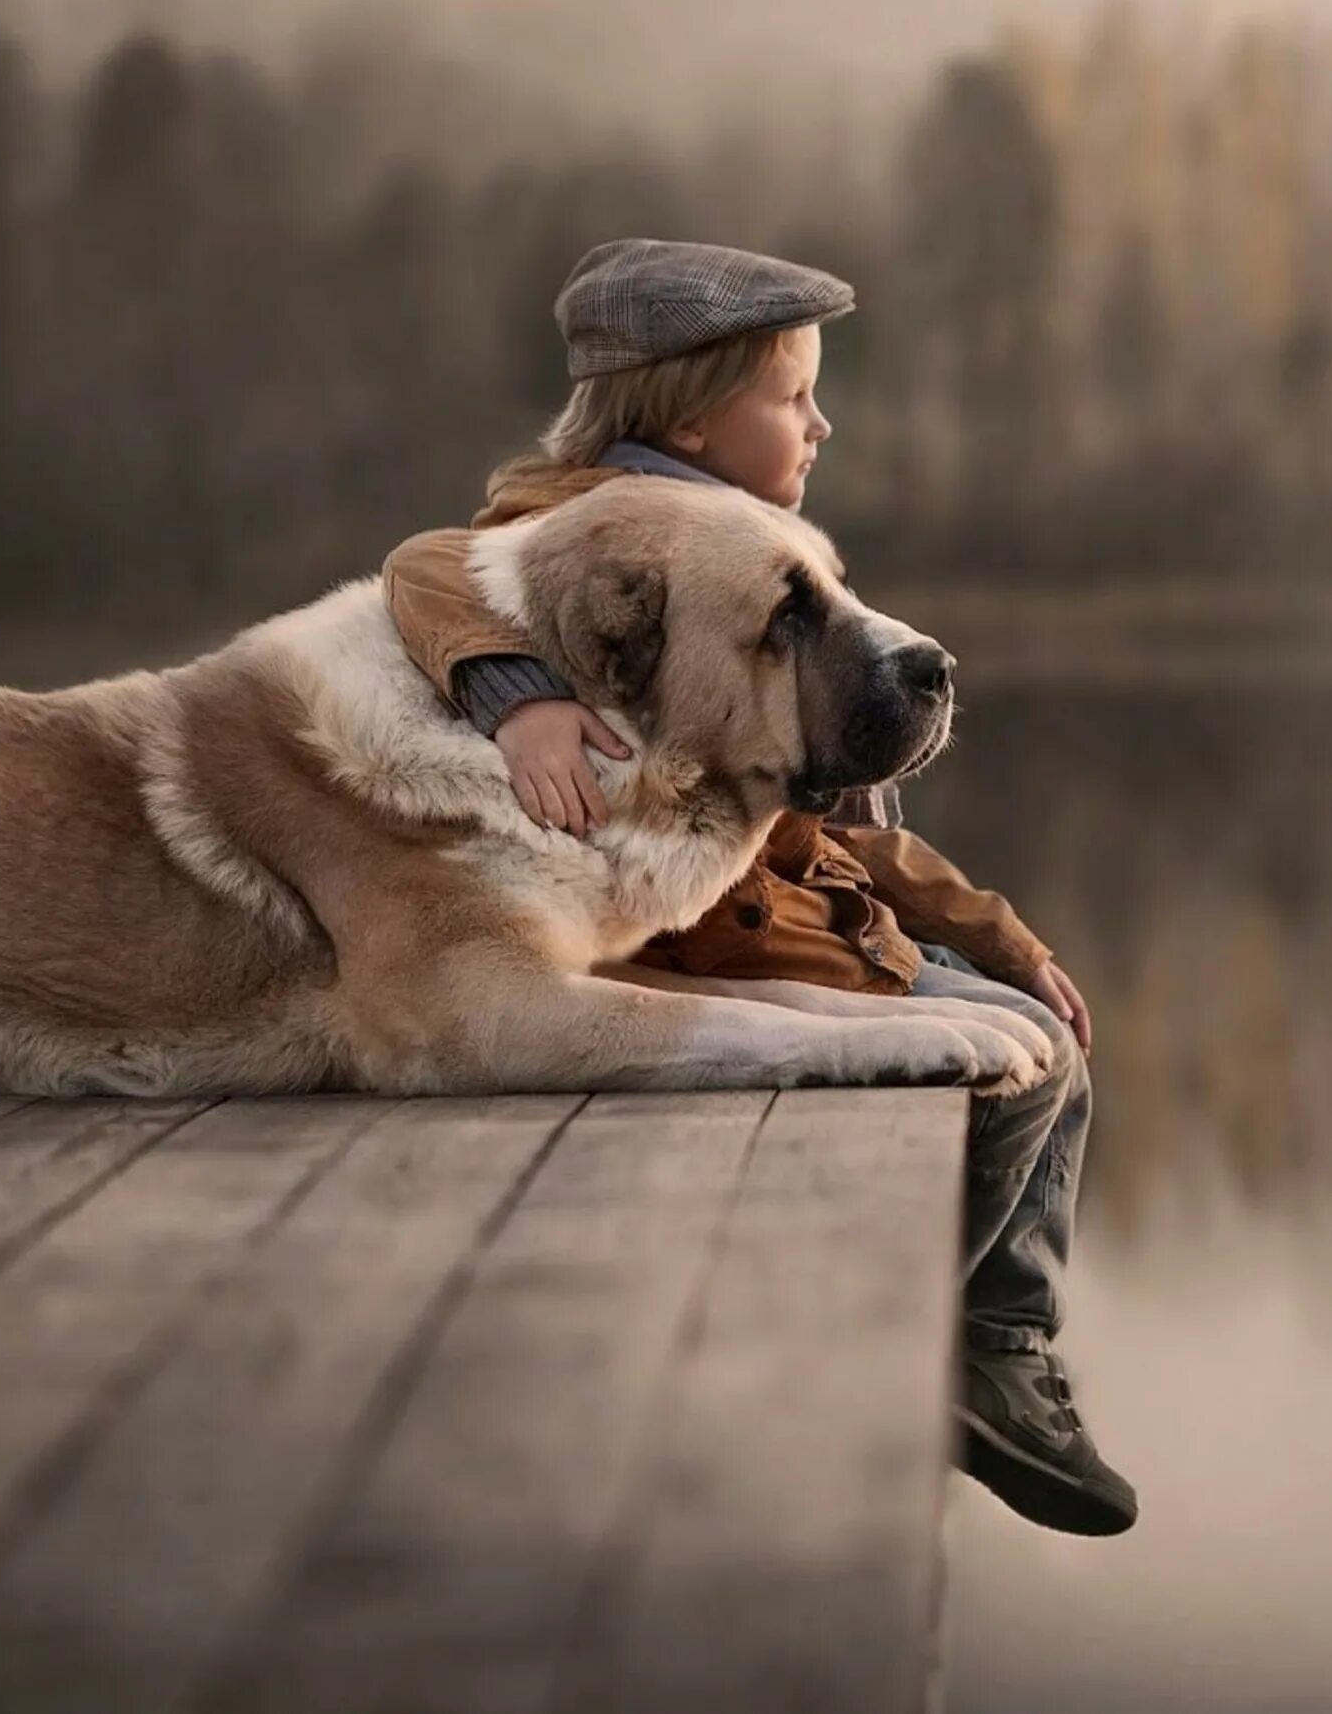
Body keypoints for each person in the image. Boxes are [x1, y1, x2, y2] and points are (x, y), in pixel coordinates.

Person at [381, 238, 1136, 1536]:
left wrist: (989, 930)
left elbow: (833, 825)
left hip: (784, 912)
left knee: (1047, 1037)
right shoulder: (588, 534)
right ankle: (935, 1351)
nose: (822, 422)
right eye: (793, 395)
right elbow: (432, 568)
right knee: (1022, 1068)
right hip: (693, 945)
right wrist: (514, 698)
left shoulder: (750, 555)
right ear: (685, 414)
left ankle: (981, 1343)